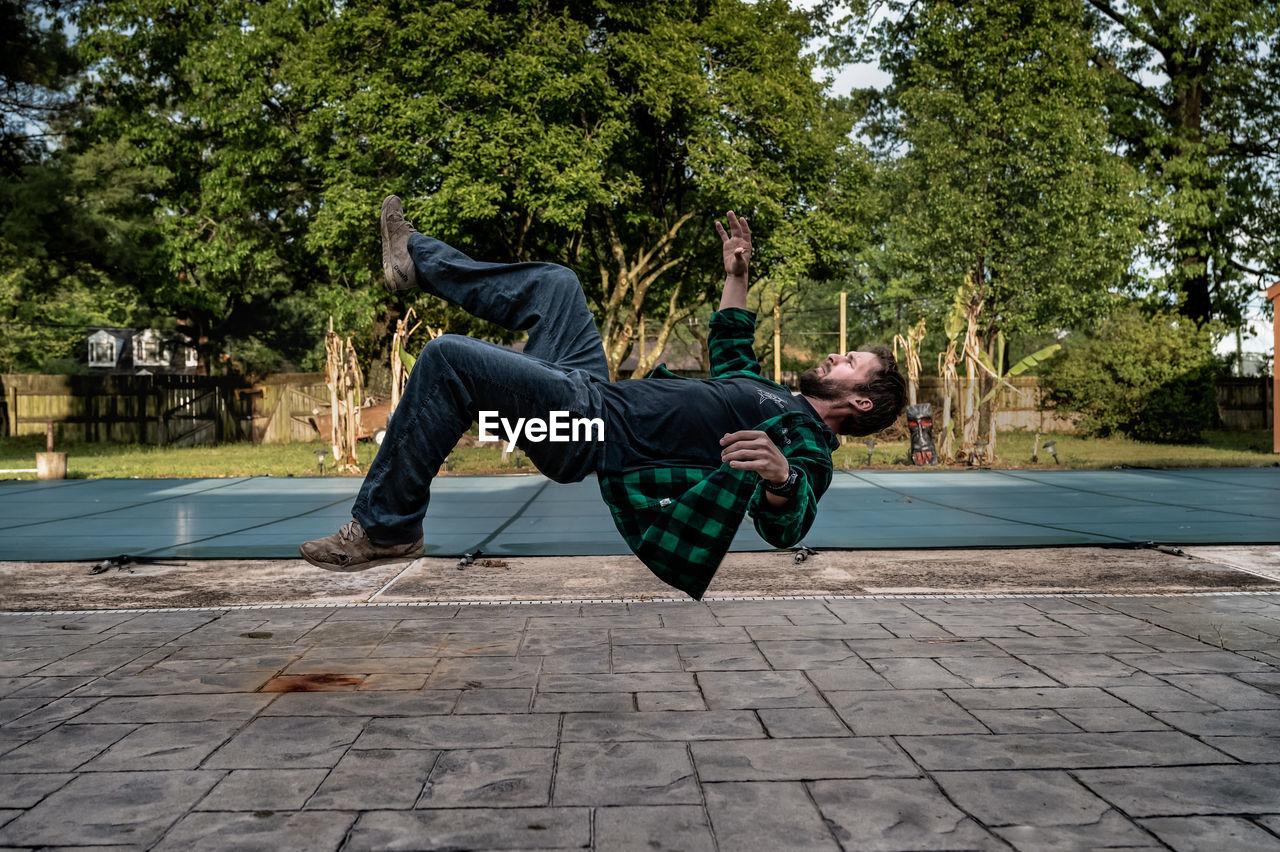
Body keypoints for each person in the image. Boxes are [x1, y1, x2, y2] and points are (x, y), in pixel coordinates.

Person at [300, 197, 907, 599]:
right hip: (590, 388)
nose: (835, 356)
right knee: (558, 283)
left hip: (587, 431)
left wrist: (780, 479)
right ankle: (418, 261)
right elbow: (731, 339)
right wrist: (737, 276)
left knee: (446, 357)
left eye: (850, 362)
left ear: (860, 403)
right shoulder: (769, 392)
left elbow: (791, 519)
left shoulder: (805, 443)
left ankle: (386, 528)